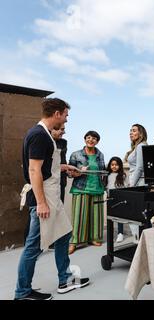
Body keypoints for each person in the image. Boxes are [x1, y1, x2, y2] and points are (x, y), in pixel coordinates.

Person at [15, 98, 89, 301]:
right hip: (44, 198)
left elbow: (47, 166)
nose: (66, 119)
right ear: (57, 113)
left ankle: (64, 279)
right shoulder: (39, 135)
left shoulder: (45, 135)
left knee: (64, 235)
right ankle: (22, 293)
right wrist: (40, 203)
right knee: (34, 247)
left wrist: (66, 168)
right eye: (65, 115)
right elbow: (34, 170)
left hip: (52, 196)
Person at [68, 131, 106, 255]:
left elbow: (103, 172)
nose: (91, 140)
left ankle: (94, 238)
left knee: (96, 217)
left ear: (97, 141)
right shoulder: (76, 155)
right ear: (85, 139)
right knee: (79, 217)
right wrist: (79, 171)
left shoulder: (100, 155)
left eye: (94, 138)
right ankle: (74, 241)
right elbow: (69, 173)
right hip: (80, 188)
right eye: (88, 137)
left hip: (97, 188)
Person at [124, 124, 148, 242]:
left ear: (140, 133)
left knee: (134, 213)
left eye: (134, 131)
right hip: (135, 181)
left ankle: (139, 240)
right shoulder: (136, 147)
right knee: (136, 212)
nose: (131, 133)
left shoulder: (141, 146)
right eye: (130, 131)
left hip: (138, 182)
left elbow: (139, 167)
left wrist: (131, 185)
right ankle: (139, 239)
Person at [105, 157, 129, 243]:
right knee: (110, 216)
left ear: (120, 166)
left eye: (116, 165)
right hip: (110, 198)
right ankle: (111, 233)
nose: (114, 166)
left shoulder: (122, 175)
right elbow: (106, 187)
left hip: (119, 198)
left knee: (119, 217)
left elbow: (126, 187)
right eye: (112, 165)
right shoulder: (107, 175)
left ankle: (120, 233)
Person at [51, 125, 68, 202]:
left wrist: (69, 170)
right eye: (61, 129)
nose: (64, 132)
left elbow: (63, 161)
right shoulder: (42, 141)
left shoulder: (63, 143)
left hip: (61, 182)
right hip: (48, 184)